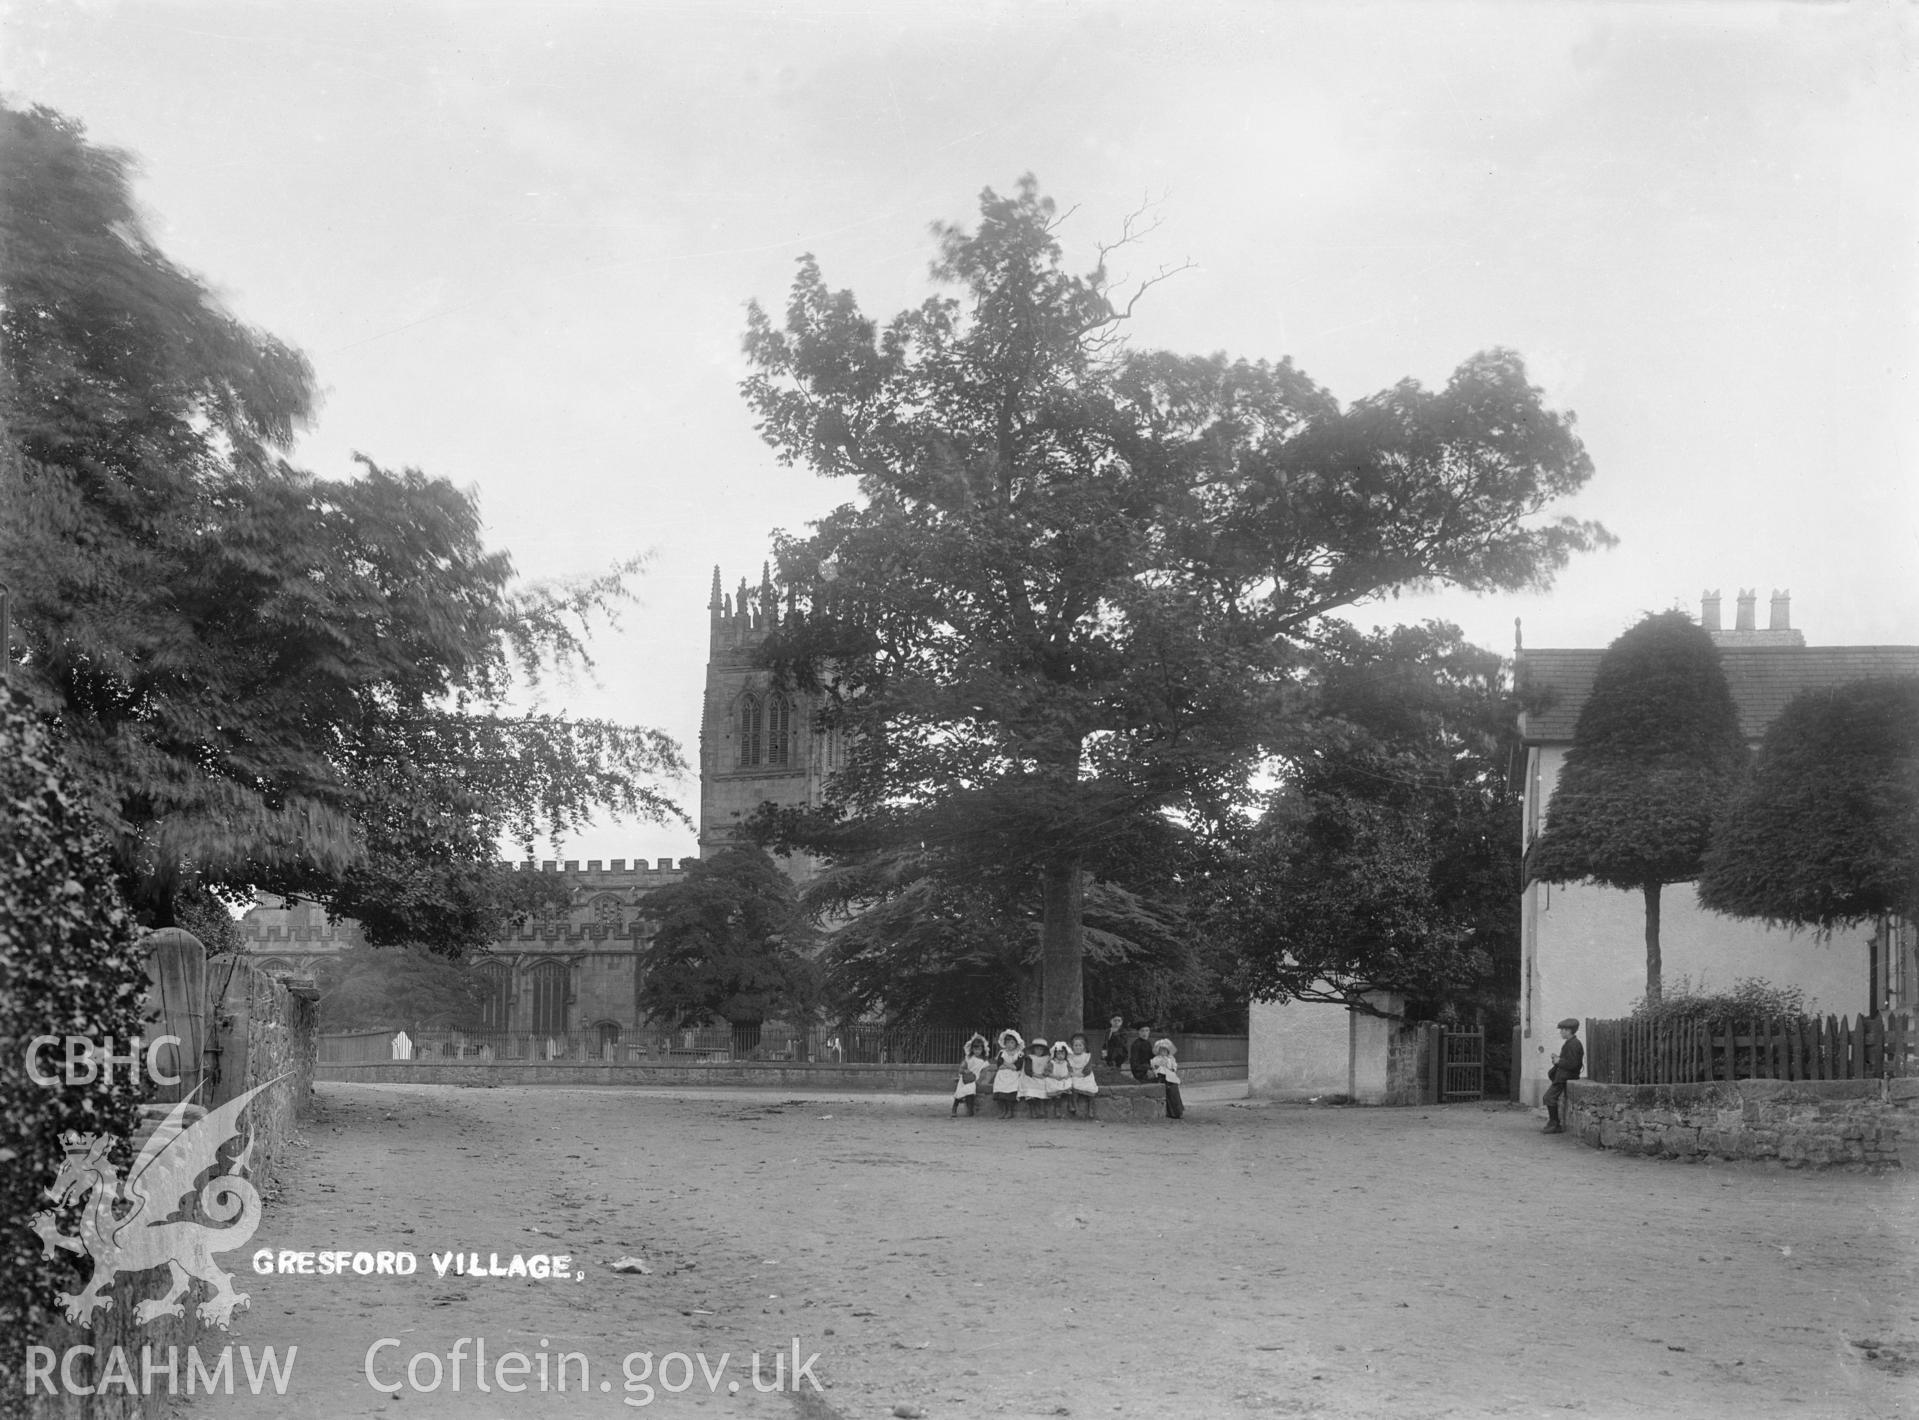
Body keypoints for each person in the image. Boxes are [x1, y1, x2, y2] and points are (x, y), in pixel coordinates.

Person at [1542, 1017, 1583, 1134]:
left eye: (1562, 1030)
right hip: (1563, 1075)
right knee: (1548, 1098)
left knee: (1548, 1098)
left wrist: (1559, 1061)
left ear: (1569, 1031)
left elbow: (1574, 1064)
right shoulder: (1571, 1043)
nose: (1561, 1032)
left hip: (1566, 1076)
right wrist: (1558, 1059)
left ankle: (1554, 1124)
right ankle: (1553, 1123)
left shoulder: (1574, 1044)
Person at [952, 1033, 990, 1118]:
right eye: (975, 1049)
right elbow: (961, 1068)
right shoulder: (968, 1058)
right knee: (959, 1092)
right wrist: (964, 1071)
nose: (977, 1051)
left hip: (974, 1080)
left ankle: (970, 1110)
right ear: (972, 1049)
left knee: (970, 1093)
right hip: (965, 1079)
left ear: (982, 1050)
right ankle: (954, 1108)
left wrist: (978, 1081)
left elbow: (983, 1073)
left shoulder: (984, 1062)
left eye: (979, 1049)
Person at [991, 1029, 1024, 1118]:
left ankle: (1010, 1110)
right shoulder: (1002, 1053)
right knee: (1000, 1088)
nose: (1009, 1045)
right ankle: (1003, 1110)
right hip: (1002, 1074)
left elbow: (1017, 1067)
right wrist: (1010, 1065)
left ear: (1016, 1044)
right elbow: (999, 1065)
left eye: (1012, 1043)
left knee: (1010, 1090)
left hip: (1013, 1075)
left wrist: (1006, 1064)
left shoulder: (1019, 1054)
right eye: (1008, 1043)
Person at [1065, 1032, 1098, 1120]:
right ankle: (1074, 1106)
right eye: (1076, 1045)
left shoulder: (1087, 1056)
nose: (1078, 1047)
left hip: (1085, 1075)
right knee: (1073, 1085)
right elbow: (1068, 1067)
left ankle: (1091, 1108)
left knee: (1090, 1087)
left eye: (1080, 1045)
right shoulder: (1070, 1057)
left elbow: (1088, 1068)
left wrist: (1082, 1074)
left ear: (1084, 1047)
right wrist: (1072, 1073)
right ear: (1072, 1047)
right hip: (1074, 1075)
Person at [1150, 1037, 1184, 1120]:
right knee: (1168, 1091)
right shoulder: (1156, 1059)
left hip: (1171, 1077)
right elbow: (1155, 1068)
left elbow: (1174, 1066)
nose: (1163, 1052)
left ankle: (1178, 1111)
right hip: (1162, 1077)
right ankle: (1171, 1112)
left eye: (1165, 1050)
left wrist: (1172, 1069)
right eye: (1161, 1050)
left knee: (1174, 1091)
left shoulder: (1171, 1059)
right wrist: (1159, 1069)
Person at [1019, 1037, 1052, 1119]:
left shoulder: (1047, 1058)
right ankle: (1033, 1110)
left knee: (1044, 1086)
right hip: (1032, 1076)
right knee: (1030, 1088)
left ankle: (1041, 1109)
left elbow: (1049, 1068)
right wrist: (1037, 1075)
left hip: (1043, 1077)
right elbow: (1028, 1071)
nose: (1039, 1051)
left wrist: (1044, 1074)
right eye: (1037, 1049)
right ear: (1033, 1049)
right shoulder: (1030, 1058)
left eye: (1041, 1049)